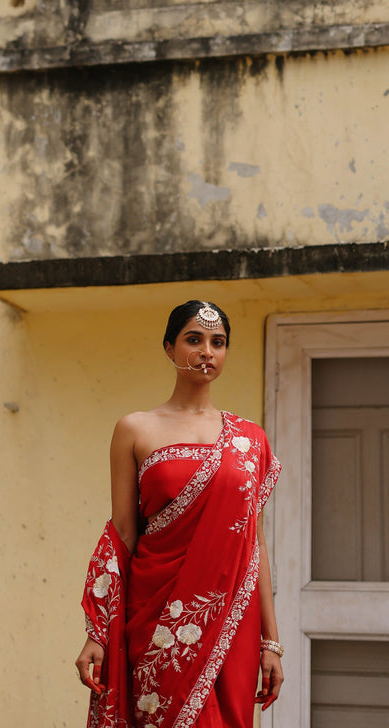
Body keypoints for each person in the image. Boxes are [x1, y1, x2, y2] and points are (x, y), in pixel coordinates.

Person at [75, 299, 284, 728]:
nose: (207, 351)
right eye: (194, 339)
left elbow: (253, 543)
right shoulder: (135, 429)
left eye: (218, 342)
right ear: (169, 348)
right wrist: (97, 632)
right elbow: (122, 538)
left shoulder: (250, 440)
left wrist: (271, 641)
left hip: (230, 622)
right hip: (158, 620)